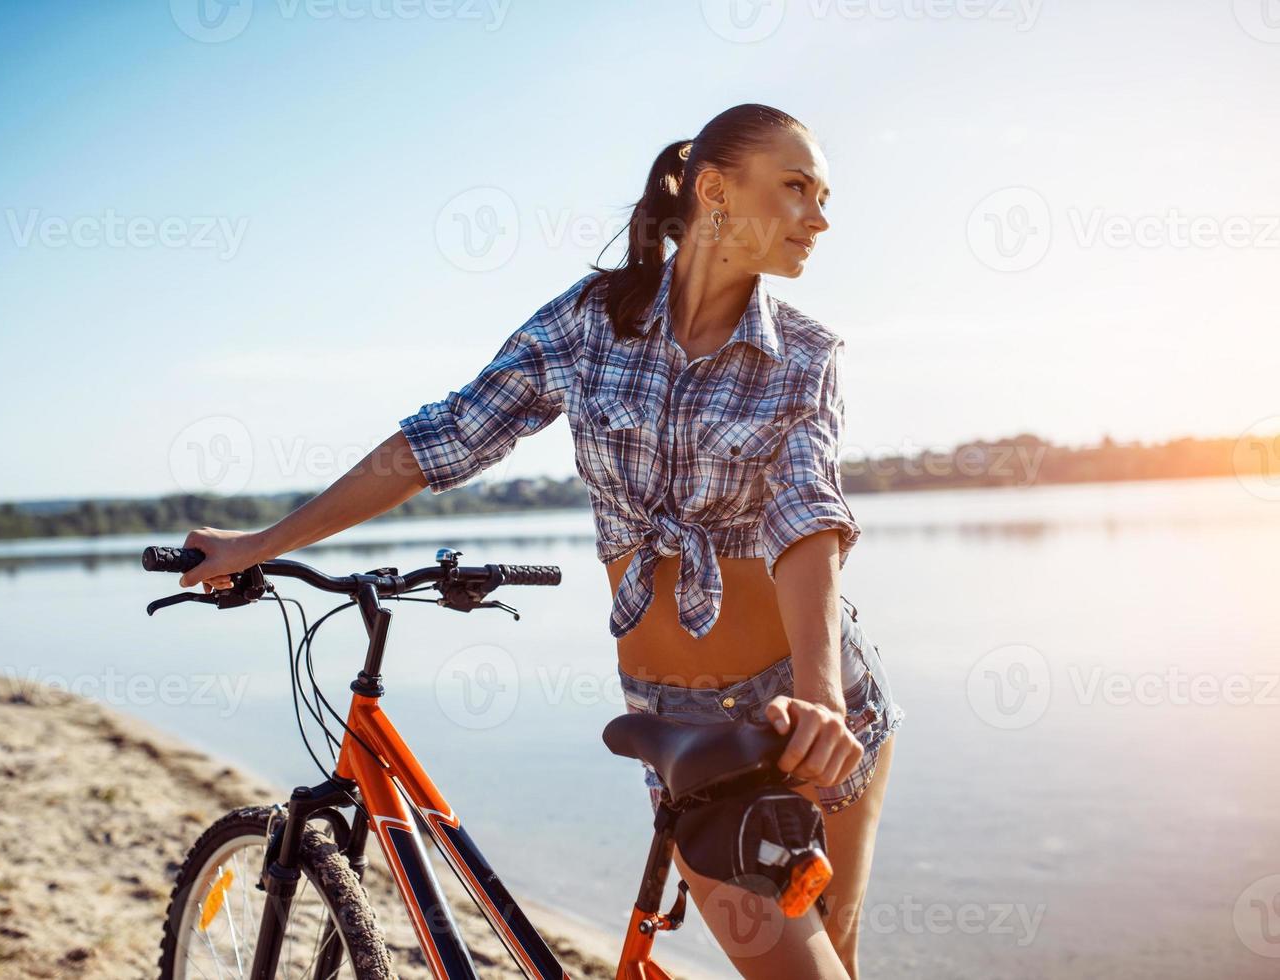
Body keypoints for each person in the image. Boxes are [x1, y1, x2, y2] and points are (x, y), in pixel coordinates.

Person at [176, 102, 905, 980]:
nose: (819, 218)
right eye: (795, 188)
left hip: (808, 709)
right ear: (714, 190)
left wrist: (820, 701)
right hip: (675, 721)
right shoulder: (587, 325)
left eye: (824, 196)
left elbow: (806, 519)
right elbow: (442, 439)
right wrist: (261, 541)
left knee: (833, 962)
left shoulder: (804, 354)